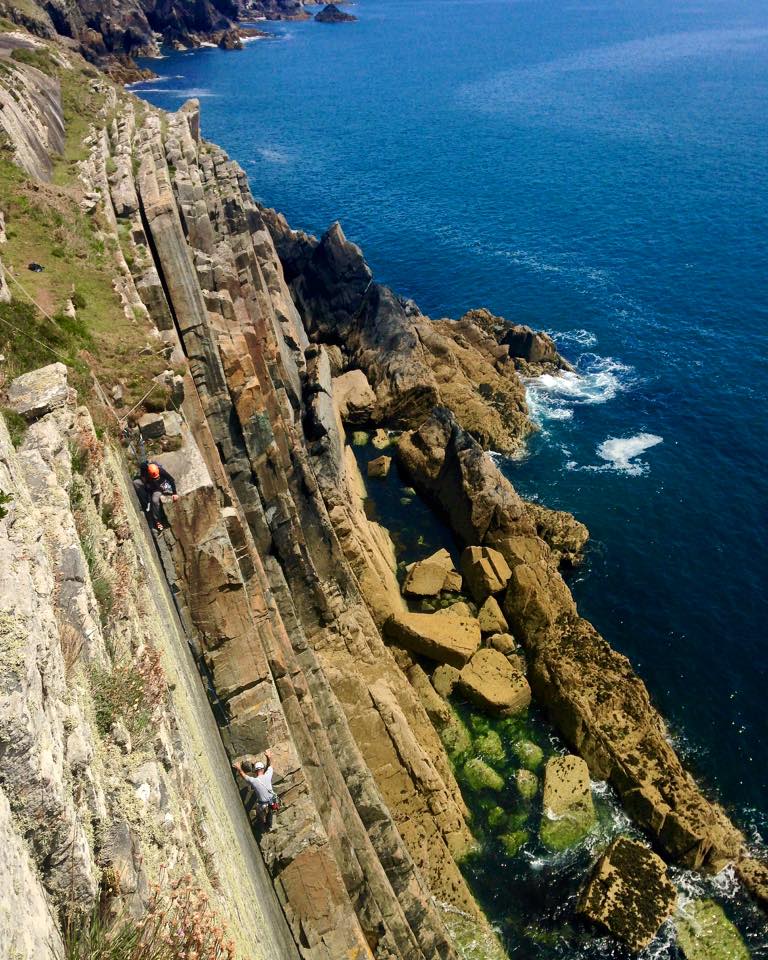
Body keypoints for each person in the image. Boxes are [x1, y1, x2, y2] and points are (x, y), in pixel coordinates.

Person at [233, 750, 277, 830]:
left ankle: (262, 822)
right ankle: (268, 821)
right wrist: (269, 756)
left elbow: (244, 776)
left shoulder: (254, 781)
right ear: (263, 769)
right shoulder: (268, 775)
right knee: (269, 810)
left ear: (255, 771)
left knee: (258, 809)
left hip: (263, 804)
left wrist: (239, 768)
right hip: (273, 801)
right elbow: (271, 765)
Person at [133, 460, 178, 531]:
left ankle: (157, 520)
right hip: (150, 486)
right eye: (155, 477)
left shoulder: (161, 471)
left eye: (157, 476)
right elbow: (144, 480)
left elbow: (171, 480)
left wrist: (175, 493)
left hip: (158, 489)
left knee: (154, 500)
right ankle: (146, 506)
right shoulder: (145, 471)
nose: (156, 477)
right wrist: (146, 482)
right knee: (136, 483)